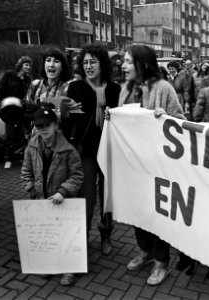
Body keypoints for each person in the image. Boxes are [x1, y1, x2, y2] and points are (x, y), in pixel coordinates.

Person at [117, 44, 185, 286]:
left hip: (157, 167)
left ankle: (161, 262)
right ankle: (145, 251)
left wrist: (165, 117)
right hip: (133, 165)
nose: (122, 66)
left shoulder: (164, 88)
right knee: (137, 213)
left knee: (156, 215)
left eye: (127, 61)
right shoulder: (125, 89)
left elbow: (182, 122)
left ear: (142, 63)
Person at [64, 44, 121, 256]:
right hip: (86, 151)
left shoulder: (115, 89)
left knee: (107, 198)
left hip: (109, 151)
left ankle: (106, 234)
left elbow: (123, 120)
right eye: (85, 62)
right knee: (86, 197)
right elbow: (70, 120)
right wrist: (66, 115)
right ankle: (84, 236)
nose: (88, 66)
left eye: (93, 62)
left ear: (102, 64)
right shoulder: (76, 88)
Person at [21, 106, 84, 286]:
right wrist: (31, 189)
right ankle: (51, 264)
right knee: (48, 235)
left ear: (56, 125)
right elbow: (26, 170)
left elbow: (77, 174)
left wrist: (63, 192)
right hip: (42, 200)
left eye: (47, 125)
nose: (43, 129)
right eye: (39, 126)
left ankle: (69, 268)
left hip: (63, 201)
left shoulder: (68, 149)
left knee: (66, 235)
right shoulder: (32, 146)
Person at [0, 56, 32, 169]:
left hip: (21, 109)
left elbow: (29, 93)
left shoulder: (28, 79)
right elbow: (0, 87)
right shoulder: (9, 74)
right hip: (8, 109)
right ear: (20, 65)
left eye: (29, 65)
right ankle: (8, 159)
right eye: (26, 64)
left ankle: (24, 156)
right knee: (10, 135)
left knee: (23, 134)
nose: (28, 67)